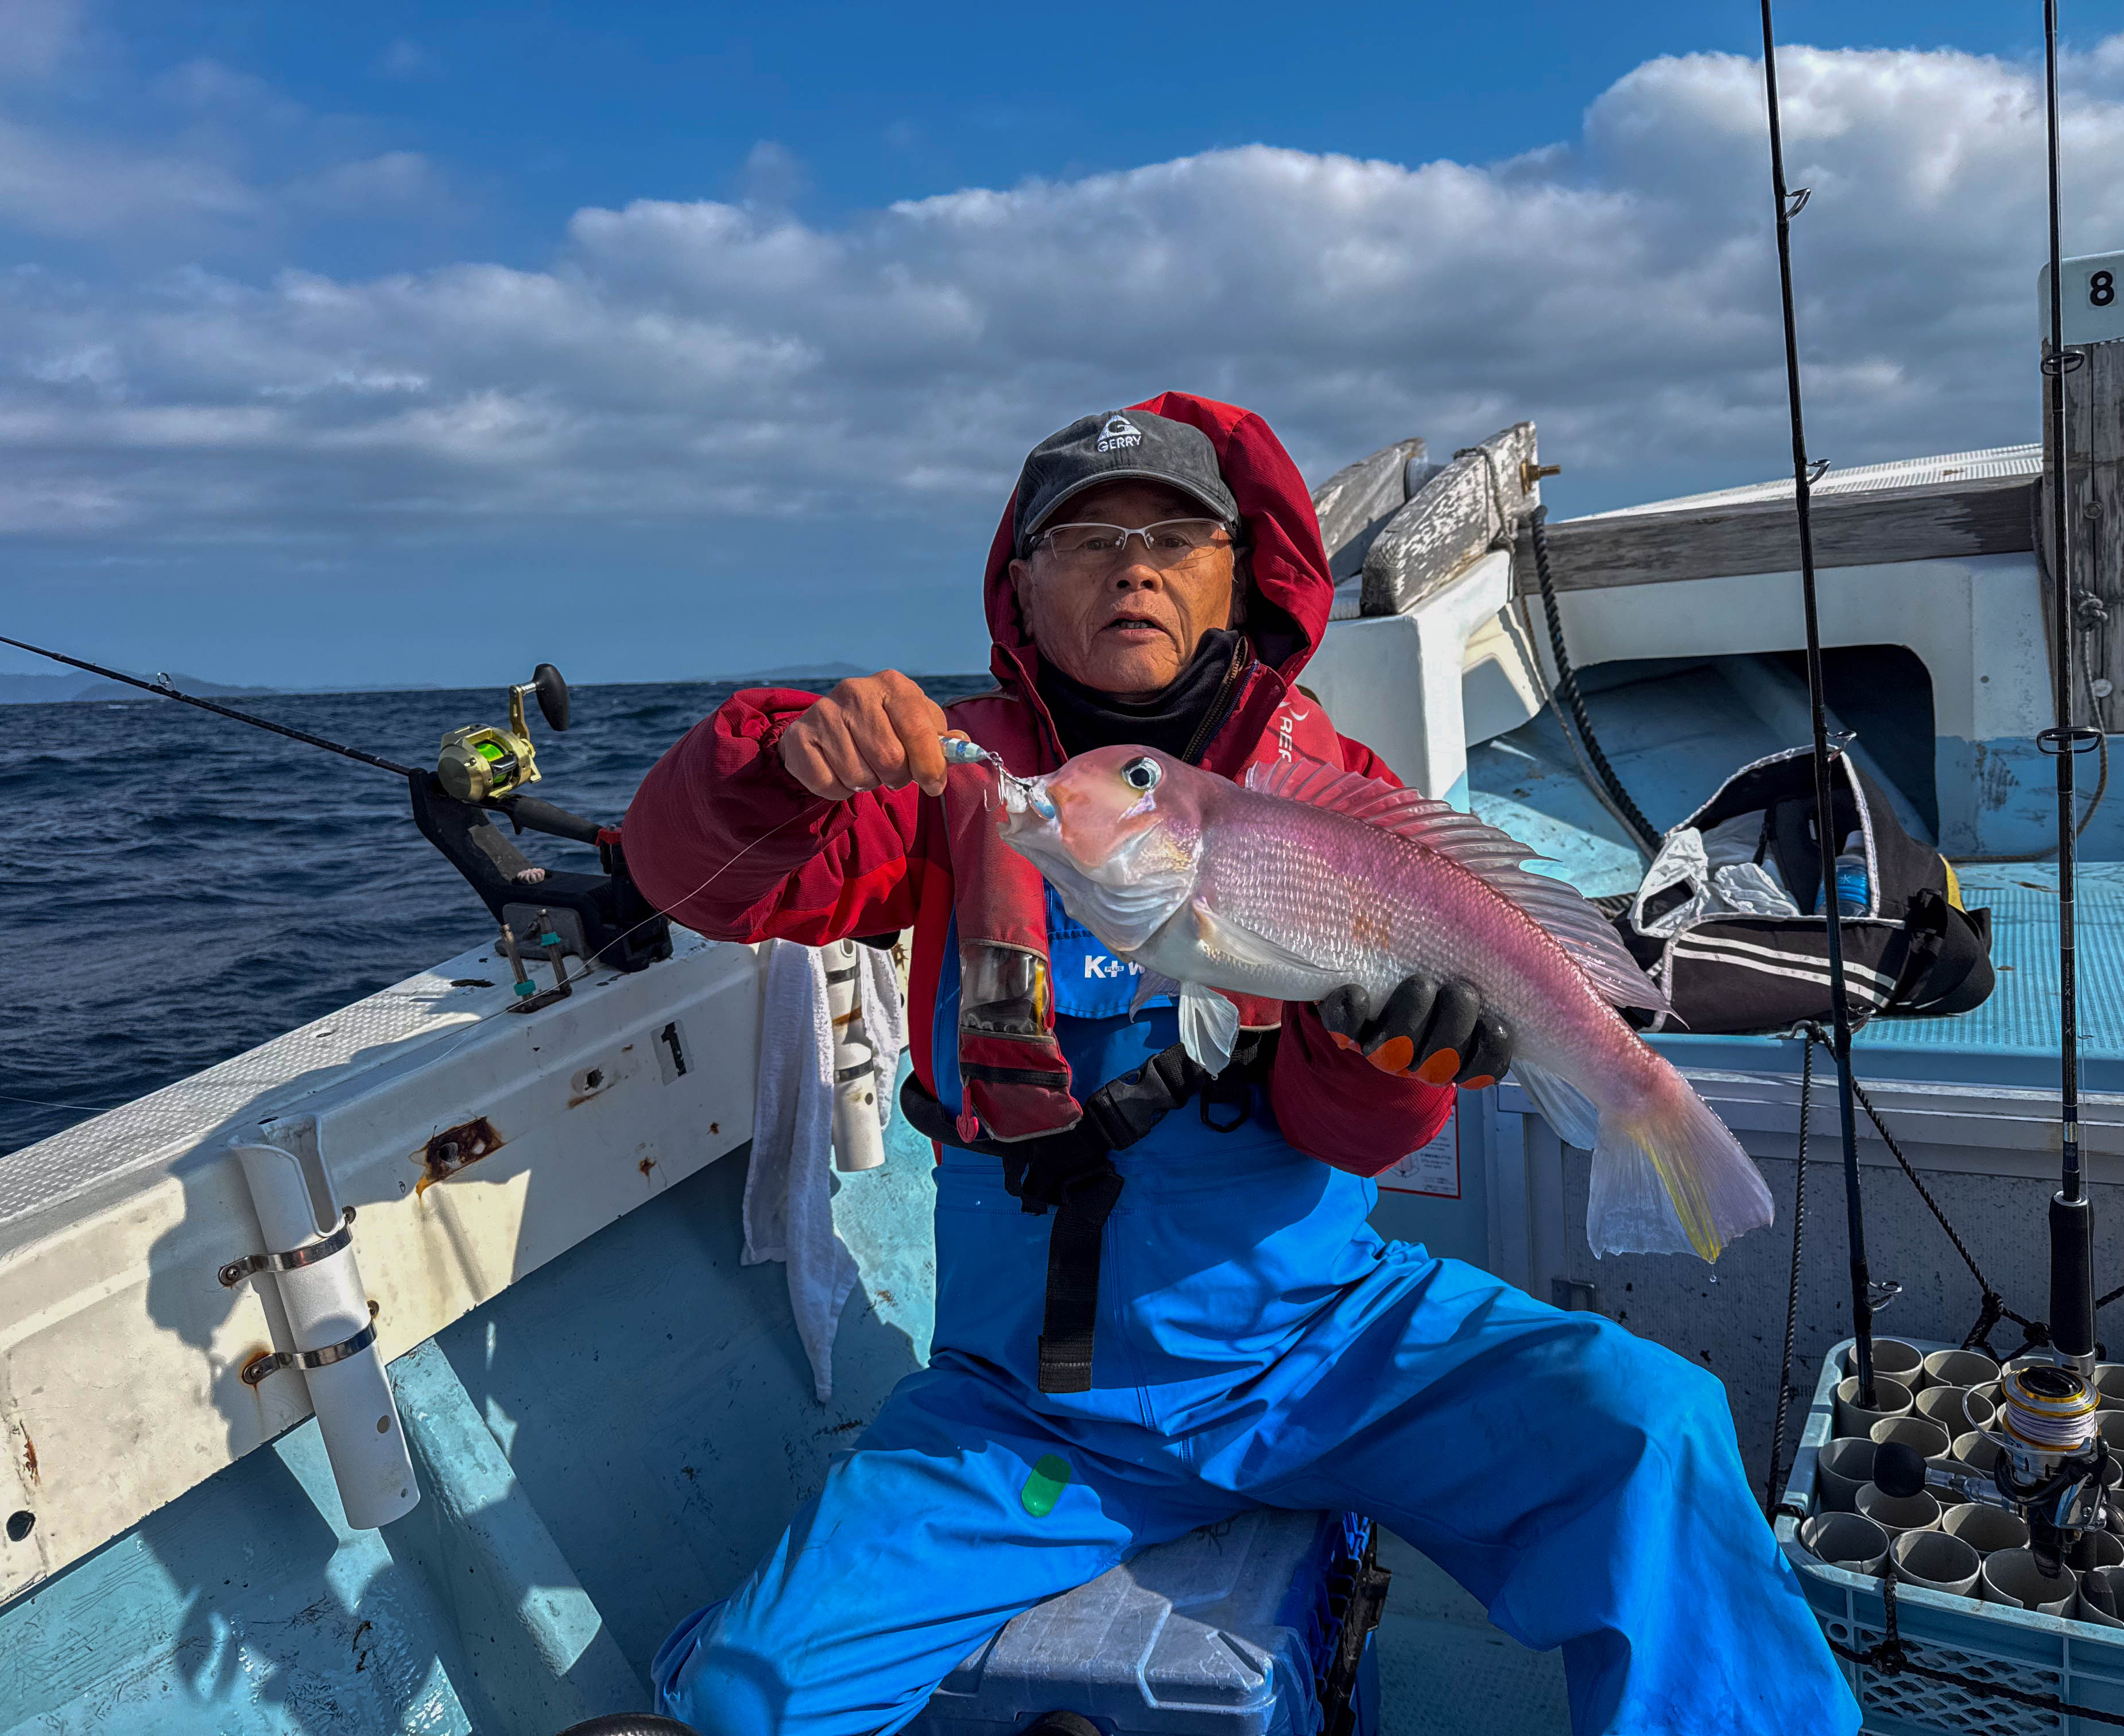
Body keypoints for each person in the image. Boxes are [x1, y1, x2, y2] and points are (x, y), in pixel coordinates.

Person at [623, 393, 1857, 1736]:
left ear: (1237, 575)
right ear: (1021, 588)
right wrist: (777, 767)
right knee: (746, 1696)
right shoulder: (955, 782)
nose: (1133, 564)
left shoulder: (1331, 789)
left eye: (1175, 533)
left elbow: (1357, 1142)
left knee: (1649, 1425)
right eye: (1084, 537)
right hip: (1026, 1406)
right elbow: (703, 880)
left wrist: (1400, 1065)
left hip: (1323, 1347)